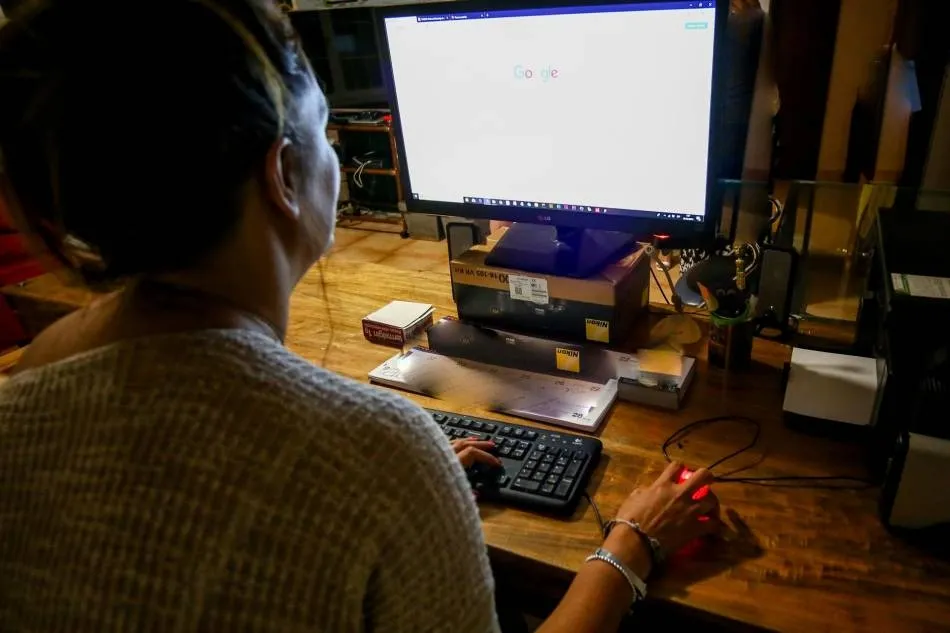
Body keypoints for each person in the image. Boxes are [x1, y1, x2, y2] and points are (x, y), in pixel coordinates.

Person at [0, 1, 722, 631]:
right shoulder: (381, 457)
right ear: (283, 174)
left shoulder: (27, 387)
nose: (340, 155)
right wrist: (629, 547)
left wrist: (418, 497)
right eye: (326, 132)